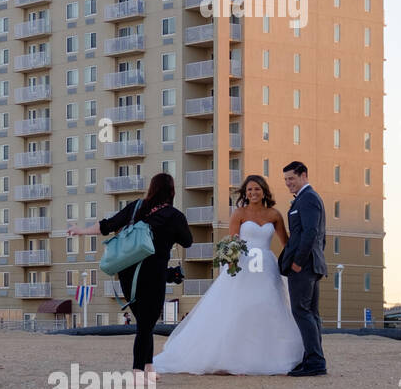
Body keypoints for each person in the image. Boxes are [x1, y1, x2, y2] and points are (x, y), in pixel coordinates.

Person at [153, 175, 305, 375]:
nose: (253, 193)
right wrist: (231, 263)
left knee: (268, 305)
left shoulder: (274, 214)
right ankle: (231, 356)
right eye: (249, 190)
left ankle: (267, 355)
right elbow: (232, 242)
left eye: (257, 189)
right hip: (243, 264)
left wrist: (297, 261)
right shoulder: (239, 214)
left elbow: (286, 242)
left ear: (264, 191)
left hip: (266, 265)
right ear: (245, 193)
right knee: (239, 307)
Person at [68, 173, 192, 375]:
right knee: (146, 323)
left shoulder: (136, 206)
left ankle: (149, 366)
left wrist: (81, 231)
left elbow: (108, 225)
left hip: (128, 274)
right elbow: (187, 241)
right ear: (172, 191)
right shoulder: (174, 215)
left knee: (145, 321)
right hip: (154, 273)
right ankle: (137, 370)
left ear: (151, 189)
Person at [278, 161, 328, 376]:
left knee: (302, 311)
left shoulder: (308, 198)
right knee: (311, 313)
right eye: (286, 179)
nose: (288, 183)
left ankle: (315, 361)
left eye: (292, 178)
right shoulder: (306, 198)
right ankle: (313, 359)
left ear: (303, 175)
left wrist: (298, 262)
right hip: (312, 263)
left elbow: (311, 233)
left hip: (304, 266)